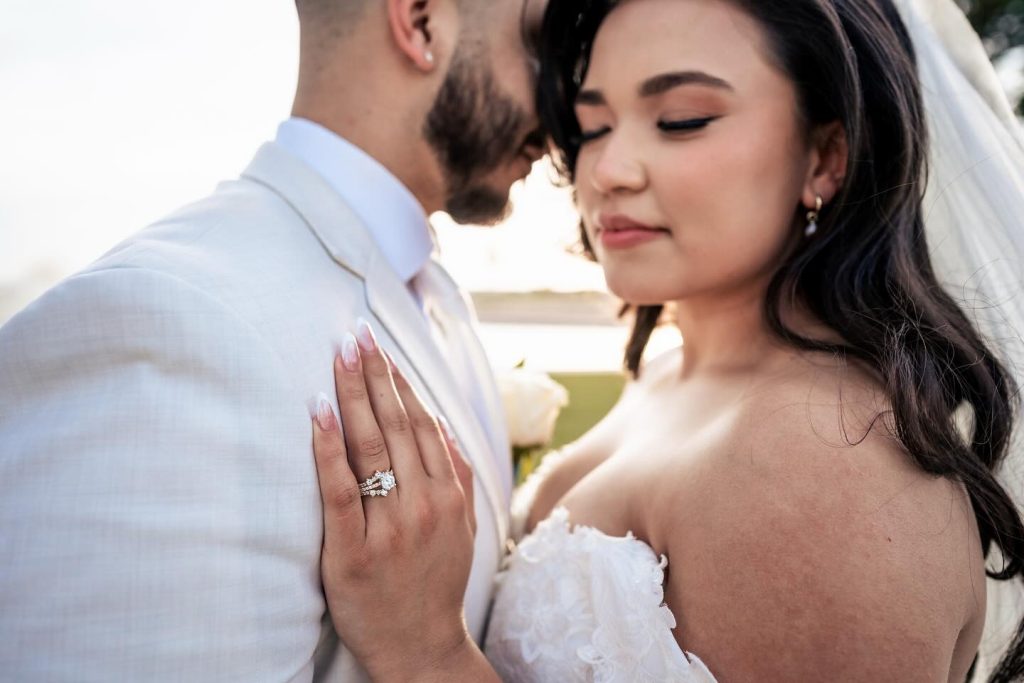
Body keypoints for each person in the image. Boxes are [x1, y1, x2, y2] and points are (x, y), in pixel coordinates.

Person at [309, 0, 1024, 680]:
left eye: (681, 120)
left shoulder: (832, 469)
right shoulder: (673, 374)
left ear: (825, 157)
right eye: (594, 127)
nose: (609, 171)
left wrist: (428, 654)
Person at [0, 0, 545, 679]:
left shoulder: (439, 296)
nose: (564, 105)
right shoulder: (167, 321)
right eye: (537, 37)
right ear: (421, 20)